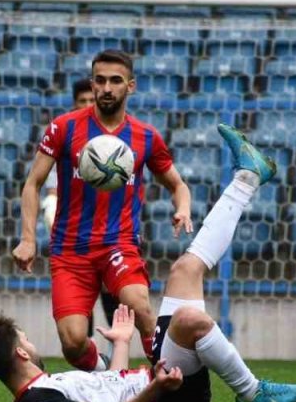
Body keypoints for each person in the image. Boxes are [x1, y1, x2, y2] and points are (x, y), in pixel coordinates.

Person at [0, 124, 296, 402]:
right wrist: (157, 388)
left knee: (185, 269)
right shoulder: (35, 401)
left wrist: (120, 342)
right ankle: (251, 392)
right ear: (22, 354)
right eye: (24, 338)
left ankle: (247, 178)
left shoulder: (49, 384)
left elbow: (113, 387)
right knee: (190, 320)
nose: (30, 342)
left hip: (161, 387)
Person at [13, 49, 192, 371]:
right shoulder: (64, 128)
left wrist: (183, 208)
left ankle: (169, 379)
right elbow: (32, 184)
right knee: (72, 342)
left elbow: (178, 184)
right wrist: (28, 239)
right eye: (100, 80)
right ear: (92, 84)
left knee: (140, 305)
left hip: (117, 243)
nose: (107, 88)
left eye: (115, 81)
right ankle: (106, 373)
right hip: (70, 250)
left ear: (131, 86)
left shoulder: (146, 136)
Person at [42, 78, 120, 328]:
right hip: (74, 227)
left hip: (109, 225)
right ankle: (88, 357)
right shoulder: (64, 135)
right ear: (75, 104)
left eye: (91, 99)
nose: (87, 104)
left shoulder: (114, 136)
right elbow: (51, 187)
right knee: (81, 295)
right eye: (82, 101)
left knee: (111, 288)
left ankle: (113, 351)